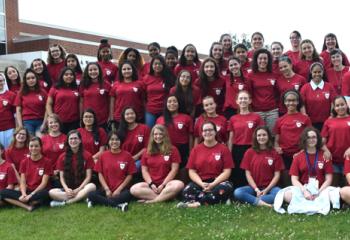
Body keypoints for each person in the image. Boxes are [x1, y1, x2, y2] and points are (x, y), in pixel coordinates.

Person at [177, 121, 233, 208]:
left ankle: (196, 203)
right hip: (201, 182)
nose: (207, 132)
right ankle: (217, 199)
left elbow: (227, 171)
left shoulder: (224, 149)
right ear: (202, 133)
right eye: (205, 130)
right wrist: (201, 184)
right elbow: (192, 171)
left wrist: (213, 184)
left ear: (215, 132)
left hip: (218, 182)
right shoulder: (196, 150)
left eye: (210, 130)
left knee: (226, 188)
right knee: (187, 191)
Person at [281, 127, 333, 211]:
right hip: (303, 190)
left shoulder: (325, 155)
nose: (311, 140)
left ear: (318, 139)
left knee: (334, 194)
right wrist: (304, 191)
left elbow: (329, 179)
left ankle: (305, 204)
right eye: (308, 138)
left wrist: (319, 192)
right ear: (304, 140)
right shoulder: (298, 157)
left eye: (314, 137)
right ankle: (315, 203)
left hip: (321, 189)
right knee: (285, 194)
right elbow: (294, 179)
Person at [130, 124, 184, 203]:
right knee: (134, 189)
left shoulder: (173, 149)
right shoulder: (146, 151)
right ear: (152, 136)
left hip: (167, 184)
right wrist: (151, 184)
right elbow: (144, 171)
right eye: (155, 134)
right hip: (152, 185)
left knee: (179, 184)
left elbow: (174, 170)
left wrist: (163, 185)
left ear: (165, 135)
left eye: (160, 134)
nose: (158, 136)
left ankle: (153, 201)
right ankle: (166, 198)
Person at [234, 126, 284, 207]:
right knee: (238, 192)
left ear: (268, 136)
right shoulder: (249, 152)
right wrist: (256, 189)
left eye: (264, 135)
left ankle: (251, 200)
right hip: (253, 188)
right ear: (255, 137)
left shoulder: (275, 153)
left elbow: (277, 175)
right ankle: (262, 203)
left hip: (270, 188)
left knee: (279, 193)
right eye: (259, 135)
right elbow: (248, 174)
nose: (261, 137)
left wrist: (266, 189)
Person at [87, 132, 136, 211]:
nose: (114, 142)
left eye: (117, 139)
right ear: (108, 142)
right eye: (112, 139)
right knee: (91, 194)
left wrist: (119, 189)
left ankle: (97, 201)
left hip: (121, 190)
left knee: (128, 195)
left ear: (121, 141)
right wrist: (106, 189)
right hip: (106, 189)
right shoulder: (103, 155)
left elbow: (130, 175)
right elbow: (100, 173)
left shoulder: (127, 155)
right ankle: (118, 206)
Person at [1, 137, 52, 211]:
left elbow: (44, 183)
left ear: (41, 147)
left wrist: (31, 195)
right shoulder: (24, 162)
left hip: (39, 191)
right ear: (28, 147)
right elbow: (23, 181)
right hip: (27, 191)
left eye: (36, 146)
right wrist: (24, 194)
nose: (33, 148)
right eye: (31, 146)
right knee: (3, 192)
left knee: (45, 193)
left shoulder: (47, 162)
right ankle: (29, 205)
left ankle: (25, 202)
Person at [49, 130, 96, 207]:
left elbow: (88, 177)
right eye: (71, 139)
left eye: (75, 138)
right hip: (68, 189)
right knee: (51, 192)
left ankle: (65, 203)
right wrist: (67, 189)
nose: (73, 141)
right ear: (67, 141)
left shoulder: (87, 155)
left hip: (82, 187)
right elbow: (61, 178)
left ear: (80, 140)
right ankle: (82, 197)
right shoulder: (62, 157)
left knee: (92, 186)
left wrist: (78, 189)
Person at [274, 90, 311, 186]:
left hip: (301, 153)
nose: (291, 103)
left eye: (294, 100)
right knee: (287, 180)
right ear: (284, 102)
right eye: (288, 100)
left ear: (298, 102)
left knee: (301, 179)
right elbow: (276, 140)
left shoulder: (305, 118)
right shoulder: (280, 120)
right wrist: (277, 148)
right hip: (285, 155)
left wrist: (302, 151)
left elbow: (310, 138)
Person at [228, 91, 264, 187]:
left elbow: (261, 134)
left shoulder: (256, 117)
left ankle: (254, 190)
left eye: (245, 98)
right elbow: (231, 137)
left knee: (252, 171)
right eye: (240, 98)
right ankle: (237, 192)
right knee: (238, 171)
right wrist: (229, 152)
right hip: (237, 148)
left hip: (252, 148)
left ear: (250, 101)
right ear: (236, 101)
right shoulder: (233, 118)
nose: (243, 100)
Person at [156, 95, 193, 167]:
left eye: (174, 101)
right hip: (165, 148)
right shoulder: (160, 119)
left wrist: (190, 151)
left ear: (178, 104)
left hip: (182, 149)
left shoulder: (187, 118)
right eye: (169, 102)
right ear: (166, 105)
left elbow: (190, 136)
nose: (172, 103)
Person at [247, 48, 278, 132]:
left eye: (265, 58)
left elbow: (277, 92)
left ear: (269, 60)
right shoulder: (250, 75)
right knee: (259, 136)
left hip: (272, 111)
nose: (263, 61)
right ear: (256, 60)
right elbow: (249, 93)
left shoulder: (274, 75)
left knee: (272, 135)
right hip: (257, 111)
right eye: (260, 58)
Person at [321, 96, 350, 186]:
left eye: (342, 104)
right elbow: (322, 141)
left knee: (347, 188)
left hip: (348, 160)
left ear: (346, 105)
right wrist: (325, 150)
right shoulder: (329, 121)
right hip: (333, 160)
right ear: (334, 107)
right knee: (333, 189)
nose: (340, 107)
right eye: (337, 105)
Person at [300, 62, 336, 131]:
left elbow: (333, 102)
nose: (317, 74)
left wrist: (332, 115)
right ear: (311, 73)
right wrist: (304, 115)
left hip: (327, 122)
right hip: (310, 123)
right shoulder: (305, 87)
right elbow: (302, 104)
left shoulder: (329, 86)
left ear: (323, 72)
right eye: (315, 72)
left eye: (319, 72)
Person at [143, 55, 175, 128]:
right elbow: (143, 95)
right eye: (155, 64)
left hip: (165, 111)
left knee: (163, 132)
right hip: (150, 111)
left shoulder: (168, 77)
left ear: (163, 65)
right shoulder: (146, 78)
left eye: (160, 64)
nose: (157, 66)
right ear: (152, 65)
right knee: (149, 131)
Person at [46, 67, 80, 134]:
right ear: (62, 76)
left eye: (71, 74)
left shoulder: (77, 88)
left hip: (74, 122)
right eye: (66, 74)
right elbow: (48, 104)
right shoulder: (55, 88)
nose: (69, 76)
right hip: (58, 122)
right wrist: (51, 117)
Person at [15, 69, 47, 136]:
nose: (31, 80)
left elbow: (47, 109)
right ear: (25, 81)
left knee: (40, 140)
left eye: (33, 78)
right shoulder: (21, 93)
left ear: (36, 79)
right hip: (27, 122)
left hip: (40, 122)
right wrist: (21, 126)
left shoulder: (43, 92)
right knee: (30, 142)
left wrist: (44, 124)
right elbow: (18, 110)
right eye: (28, 78)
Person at [117, 107, 150, 171]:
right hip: (123, 160)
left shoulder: (144, 128)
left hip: (140, 159)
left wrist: (136, 157)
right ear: (123, 117)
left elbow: (147, 147)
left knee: (134, 167)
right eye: (127, 114)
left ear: (135, 115)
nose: (130, 116)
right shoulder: (120, 132)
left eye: (132, 113)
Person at [80, 62, 111, 128]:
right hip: (87, 120)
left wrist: (110, 116)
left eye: (95, 69)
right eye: (90, 70)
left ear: (99, 70)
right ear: (87, 72)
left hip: (103, 120)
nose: (93, 72)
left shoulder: (106, 84)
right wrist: (81, 117)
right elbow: (81, 102)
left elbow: (110, 102)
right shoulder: (83, 84)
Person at [41, 114, 66, 187]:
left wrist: (58, 170)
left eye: (55, 122)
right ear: (47, 125)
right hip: (46, 172)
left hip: (61, 173)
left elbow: (68, 156)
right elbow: (40, 157)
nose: (53, 124)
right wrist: (50, 171)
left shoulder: (66, 138)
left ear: (59, 123)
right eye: (51, 123)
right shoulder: (43, 139)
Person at [0, 73, 16, 148]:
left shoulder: (11, 95)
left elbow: (15, 113)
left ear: (4, 81)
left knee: (9, 149)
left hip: (9, 128)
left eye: (1, 80)